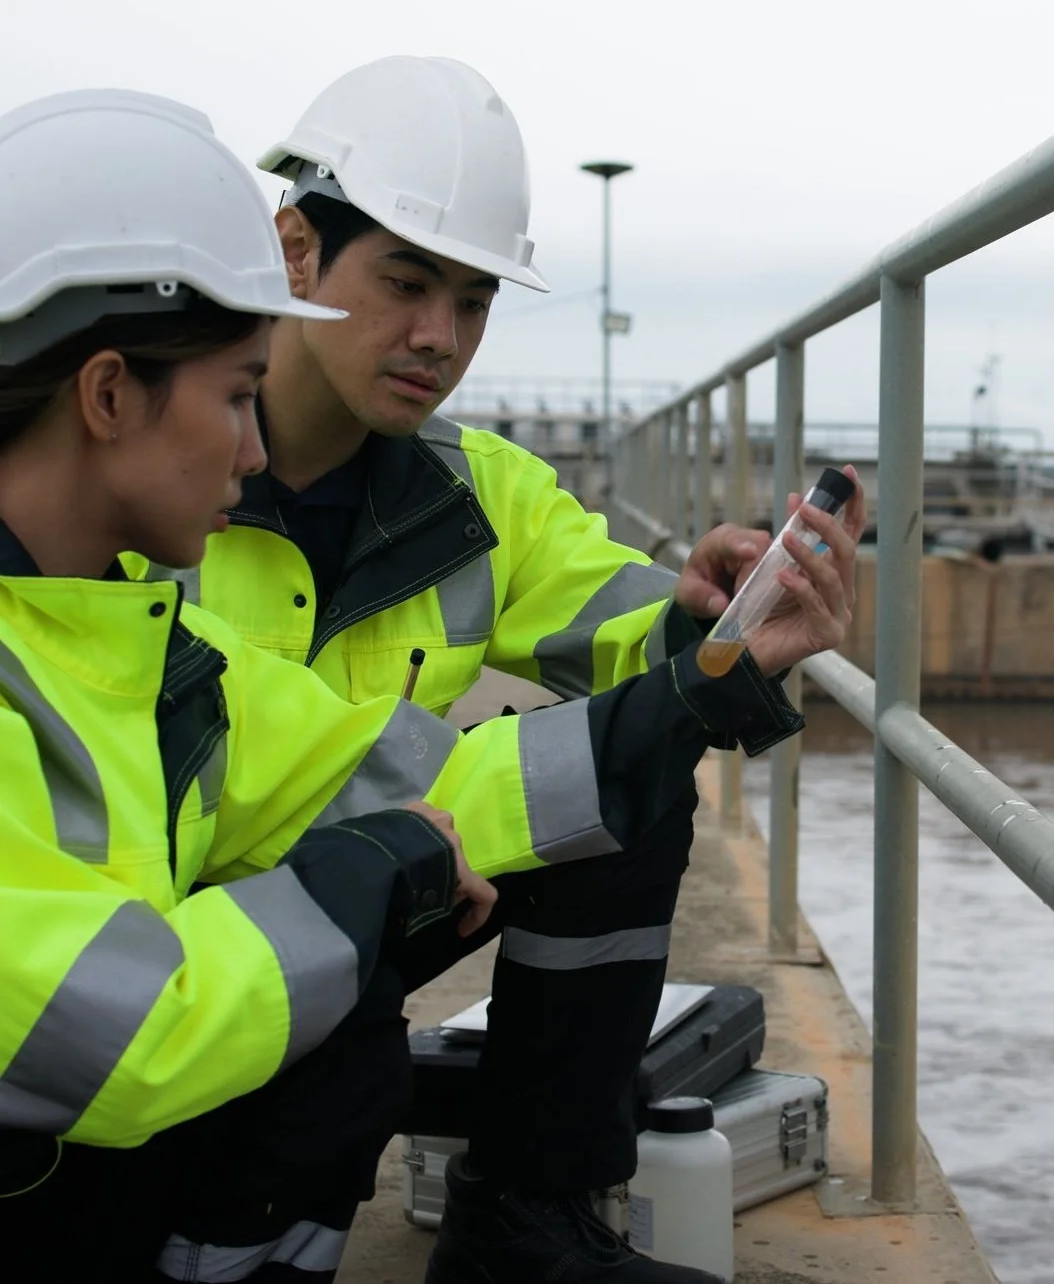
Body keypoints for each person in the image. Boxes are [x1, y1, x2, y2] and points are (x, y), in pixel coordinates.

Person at [0, 88, 857, 1284]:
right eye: (407, 283)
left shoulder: (159, 601)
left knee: (606, 800)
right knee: (320, 1062)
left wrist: (706, 646)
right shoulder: (118, 554)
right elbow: (110, 1025)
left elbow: (459, 751)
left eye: (473, 300)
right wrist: (353, 881)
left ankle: (526, 1208)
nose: (441, 338)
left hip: (293, 911)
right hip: (166, 990)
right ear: (295, 249)